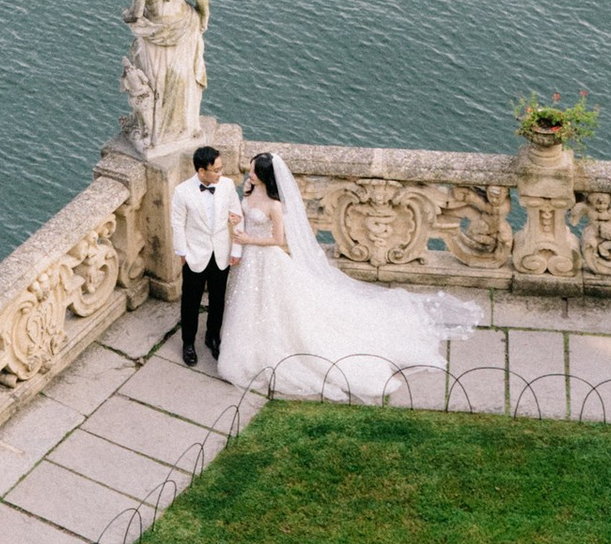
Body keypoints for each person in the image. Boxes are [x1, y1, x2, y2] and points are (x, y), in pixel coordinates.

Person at [217, 148, 486, 397]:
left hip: (265, 257)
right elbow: (245, 215)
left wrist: (248, 240)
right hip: (248, 258)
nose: (248, 173)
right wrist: (237, 222)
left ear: (265, 176)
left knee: (275, 307)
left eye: (253, 170)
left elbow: (277, 239)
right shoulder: (250, 191)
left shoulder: (275, 206)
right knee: (249, 303)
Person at [170, 141, 241, 365]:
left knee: (218, 299)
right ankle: (188, 343)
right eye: (216, 170)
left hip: (221, 252)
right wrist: (182, 252)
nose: (221, 173)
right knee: (190, 301)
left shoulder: (227, 186)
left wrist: (236, 249)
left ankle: (213, 337)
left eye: (221, 168)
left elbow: (237, 216)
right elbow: (177, 224)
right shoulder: (182, 192)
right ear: (201, 171)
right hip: (195, 254)